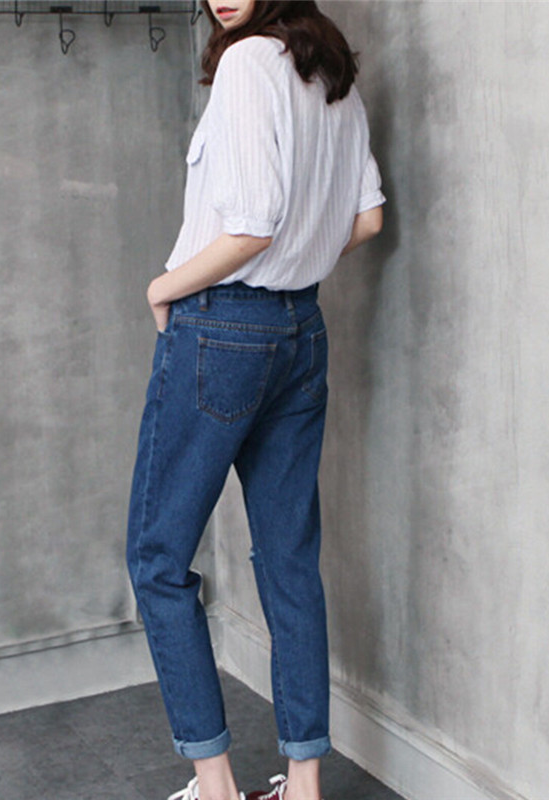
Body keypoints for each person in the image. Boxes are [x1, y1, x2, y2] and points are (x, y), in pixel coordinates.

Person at [125, 2, 386, 799]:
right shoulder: (333, 73)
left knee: (159, 558)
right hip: (301, 331)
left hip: (222, 330)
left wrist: (163, 287)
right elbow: (368, 219)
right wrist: (300, 262)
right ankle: (302, 787)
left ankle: (216, 789)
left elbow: (252, 227)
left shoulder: (246, 63)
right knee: (288, 559)